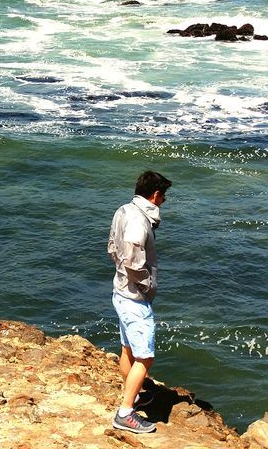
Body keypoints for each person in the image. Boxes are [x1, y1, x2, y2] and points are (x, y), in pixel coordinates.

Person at [106, 169, 171, 434]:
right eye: (163, 196)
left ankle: (132, 396)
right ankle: (125, 413)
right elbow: (133, 253)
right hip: (134, 298)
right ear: (155, 195)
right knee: (145, 357)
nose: (164, 201)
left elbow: (112, 247)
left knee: (128, 350)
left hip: (120, 291)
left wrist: (124, 273)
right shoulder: (140, 221)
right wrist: (146, 284)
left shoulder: (123, 210)